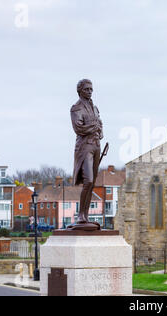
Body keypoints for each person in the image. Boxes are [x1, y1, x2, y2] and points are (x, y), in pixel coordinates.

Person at [70, 79, 103, 231]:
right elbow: (79, 128)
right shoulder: (76, 108)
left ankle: (86, 215)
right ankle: (80, 215)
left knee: (93, 183)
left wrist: (99, 130)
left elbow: (100, 126)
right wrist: (94, 126)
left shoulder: (95, 108)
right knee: (88, 180)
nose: (90, 92)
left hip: (96, 146)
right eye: (87, 89)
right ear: (80, 91)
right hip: (85, 148)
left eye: (91, 89)